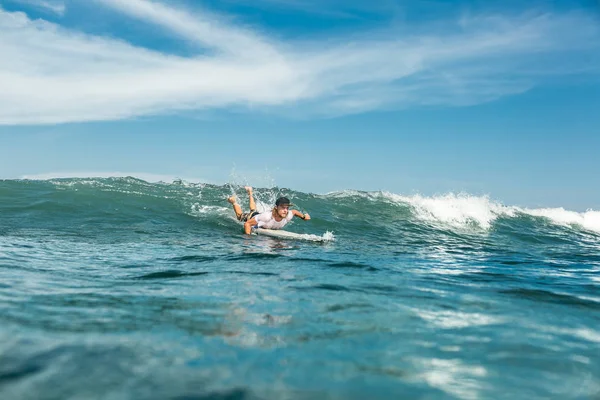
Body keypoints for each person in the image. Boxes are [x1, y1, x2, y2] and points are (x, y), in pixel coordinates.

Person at [228, 186, 311, 235]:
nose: (285, 210)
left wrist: (303, 217)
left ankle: (250, 192)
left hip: (259, 216)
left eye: (287, 208)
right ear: (276, 207)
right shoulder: (267, 217)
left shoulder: (288, 215)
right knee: (240, 216)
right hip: (253, 217)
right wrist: (248, 239)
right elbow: (247, 224)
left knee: (253, 209)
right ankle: (234, 202)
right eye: (282, 207)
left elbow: (295, 212)